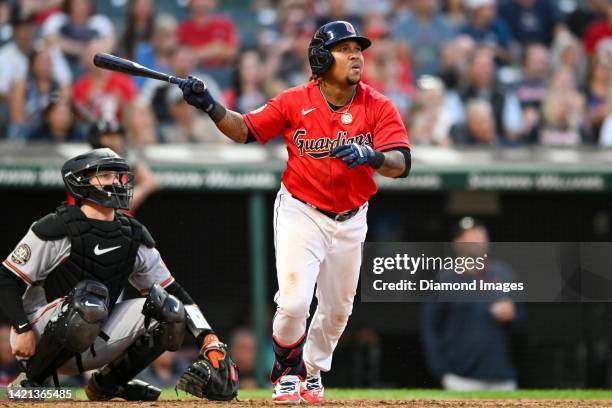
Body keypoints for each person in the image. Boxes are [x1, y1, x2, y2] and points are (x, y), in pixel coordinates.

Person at [178, 20, 411, 404]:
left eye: (358, 50)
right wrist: (210, 105)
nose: (356, 56)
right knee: (294, 301)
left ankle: (314, 371)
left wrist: (372, 156)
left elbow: (402, 162)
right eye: (344, 49)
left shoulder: (377, 104)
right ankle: (287, 372)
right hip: (301, 211)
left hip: (352, 217)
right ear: (321, 58)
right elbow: (245, 130)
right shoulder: (294, 100)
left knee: (338, 311)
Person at [0, 148, 238, 401]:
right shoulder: (57, 227)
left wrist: (208, 337)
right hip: (38, 333)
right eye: (106, 176)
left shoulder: (133, 234)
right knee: (89, 301)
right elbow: (6, 278)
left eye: (118, 176)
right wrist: (22, 326)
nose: (116, 182)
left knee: (170, 309)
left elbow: (174, 291)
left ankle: (107, 383)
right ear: (80, 181)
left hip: (92, 332)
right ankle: (32, 381)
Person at [421, 217, 521, 391]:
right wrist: (441, 371)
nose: (479, 240)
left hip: (501, 376)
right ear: (457, 243)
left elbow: (522, 318)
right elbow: (430, 327)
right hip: (460, 378)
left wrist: (512, 314)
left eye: (482, 235)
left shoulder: (503, 273)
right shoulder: (445, 279)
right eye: (472, 236)